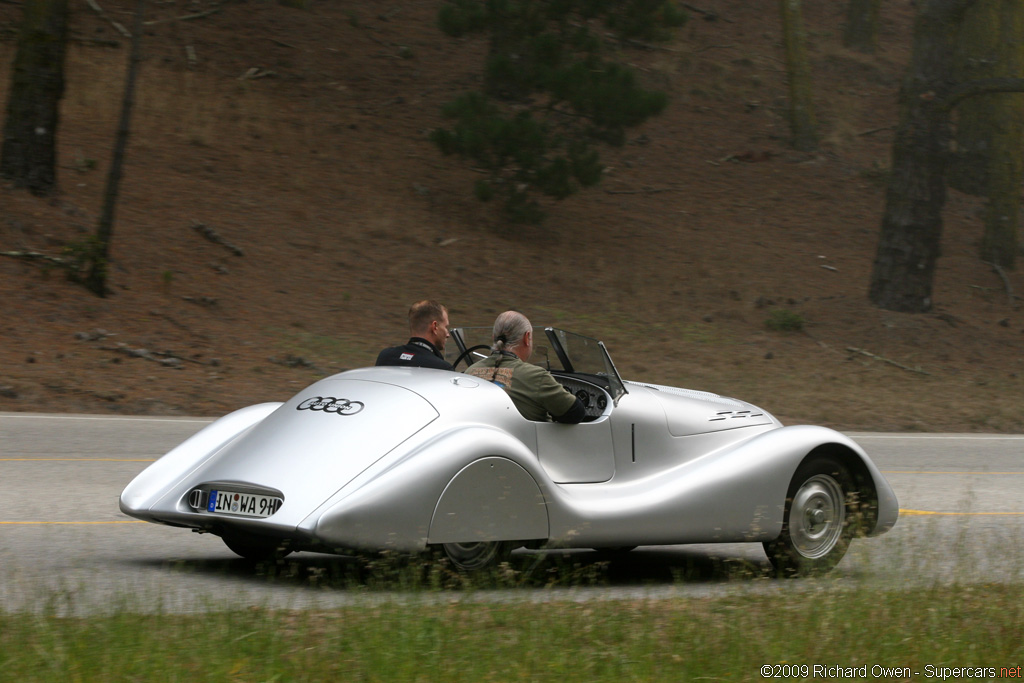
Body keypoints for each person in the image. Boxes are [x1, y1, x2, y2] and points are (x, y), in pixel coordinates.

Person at [466, 311, 586, 423]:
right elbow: (576, 413)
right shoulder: (537, 377)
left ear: (493, 338)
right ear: (526, 338)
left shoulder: (468, 373)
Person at [375, 300, 454, 370]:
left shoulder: (385, 356)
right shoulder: (441, 369)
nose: (447, 334)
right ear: (435, 327)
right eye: (445, 327)